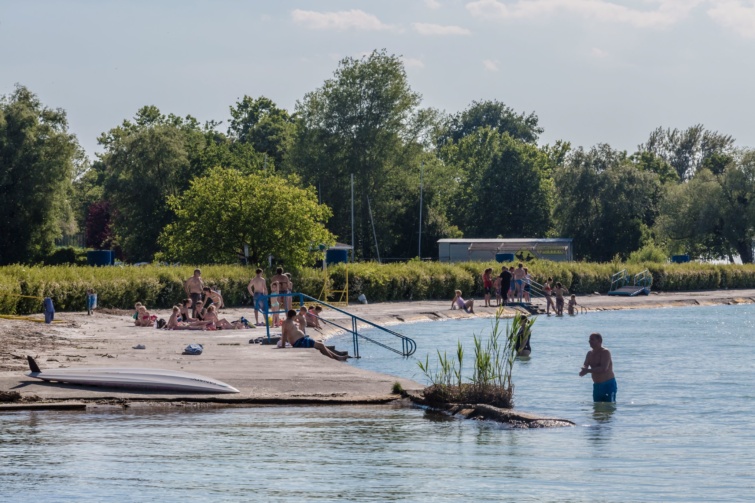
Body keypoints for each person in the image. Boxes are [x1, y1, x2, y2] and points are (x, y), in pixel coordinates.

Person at [280, 310, 347, 361]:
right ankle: (335, 359)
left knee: (321, 344)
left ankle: (337, 357)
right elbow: (284, 333)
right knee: (321, 345)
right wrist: (283, 345)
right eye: (295, 316)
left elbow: (285, 333)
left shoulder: (288, 322)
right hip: (300, 342)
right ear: (293, 316)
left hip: (301, 340)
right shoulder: (288, 322)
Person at [579, 333, 617, 402]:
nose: (589, 341)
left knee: (609, 408)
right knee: (597, 410)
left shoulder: (605, 352)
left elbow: (604, 368)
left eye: (592, 339)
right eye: (589, 340)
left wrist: (587, 371)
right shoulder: (589, 353)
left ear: (599, 341)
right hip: (597, 386)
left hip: (608, 385)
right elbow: (585, 365)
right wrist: (583, 370)